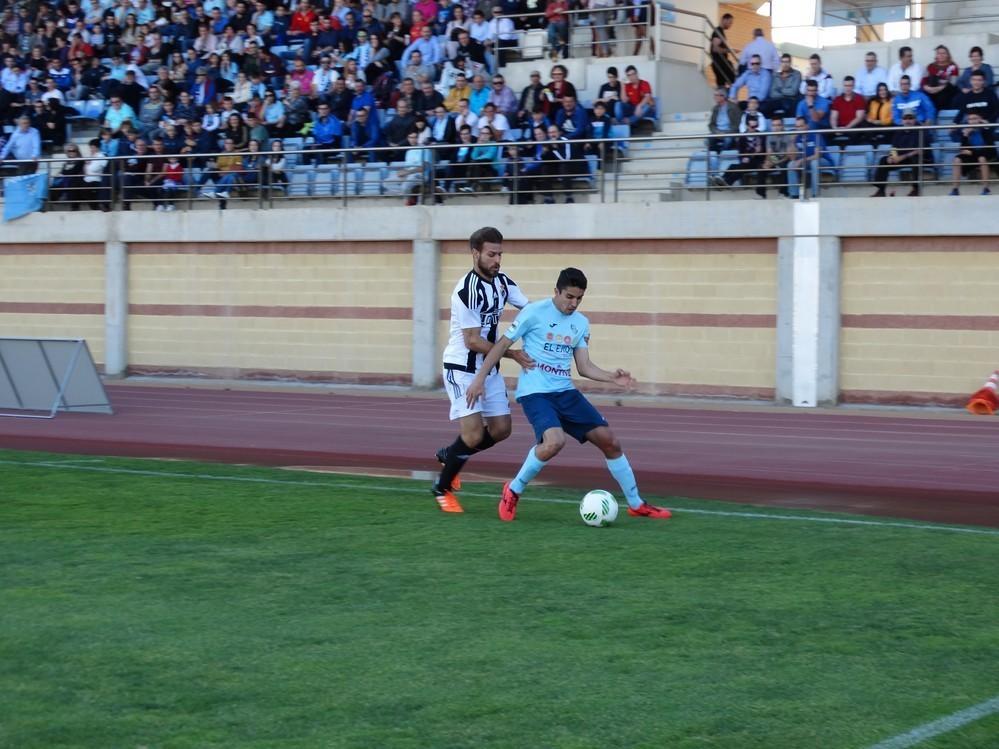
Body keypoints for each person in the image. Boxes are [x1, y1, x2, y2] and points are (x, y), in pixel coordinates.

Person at [465, 266, 671, 522]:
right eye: (569, 297)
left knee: (610, 441)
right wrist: (479, 379)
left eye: (579, 298)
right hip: (536, 393)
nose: (574, 304)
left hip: (565, 392)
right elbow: (501, 346)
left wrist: (611, 377)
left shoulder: (581, 323)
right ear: (556, 291)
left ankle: (636, 504)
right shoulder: (533, 313)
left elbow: (583, 366)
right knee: (554, 442)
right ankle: (513, 489)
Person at [432, 226, 532, 512]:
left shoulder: (502, 282)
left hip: (489, 368)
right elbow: (472, 340)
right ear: (475, 253)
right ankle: (441, 487)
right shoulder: (467, 290)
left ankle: (449, 454)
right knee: (474, 435)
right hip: (462, 368)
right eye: (491, 254)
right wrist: (512, 352)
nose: (497, 259)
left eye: (500, 253)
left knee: (501, 429)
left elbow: (529, 309)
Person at [871, 112, 924, 198]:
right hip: (901, 158)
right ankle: (881, 190)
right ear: (902, 120)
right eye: (905, 118)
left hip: (913, 157)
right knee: (884, 160)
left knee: (916, 159)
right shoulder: (899, 131)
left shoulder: (920, 130)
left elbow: (920, 150)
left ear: (914, 120)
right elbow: (894, 147)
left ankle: (916, 189)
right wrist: (891, 156)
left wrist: (902, 157)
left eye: (910, 118)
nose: (908, 121)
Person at [949, 112, 994, 196]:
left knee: (982, 159)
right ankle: (955, 189)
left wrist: (972, 151)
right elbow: (963, 149)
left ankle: (986, 188)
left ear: (980, 119)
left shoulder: (985, 130)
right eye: (970, 119)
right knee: (957, 159)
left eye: (974, 118)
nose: (972, 121)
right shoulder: (965, 130)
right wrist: (966, 135)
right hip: (971, 155)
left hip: (984, 154)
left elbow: (989, 147)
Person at [830, 76, 867, 145]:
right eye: (846, 85)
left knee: (856, 133)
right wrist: (835, 128)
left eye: (850, 86)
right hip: (839, 127)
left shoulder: (859, 98)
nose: (847, 88)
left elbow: (859, 118)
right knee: (826, 134)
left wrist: (846, 128)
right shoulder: (837, 99)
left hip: (852, 127)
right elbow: (833, 117)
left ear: (853, 86)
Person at [710, 12, 737, 88]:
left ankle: (726, 96)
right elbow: (715, 49)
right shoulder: (718, 31)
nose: (730, 25)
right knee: (734, 80)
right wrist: (729, 50)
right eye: (730, 22)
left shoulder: (720, 31)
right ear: (724, 19)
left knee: (722, 86)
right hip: (720, 63)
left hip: (719, 63)